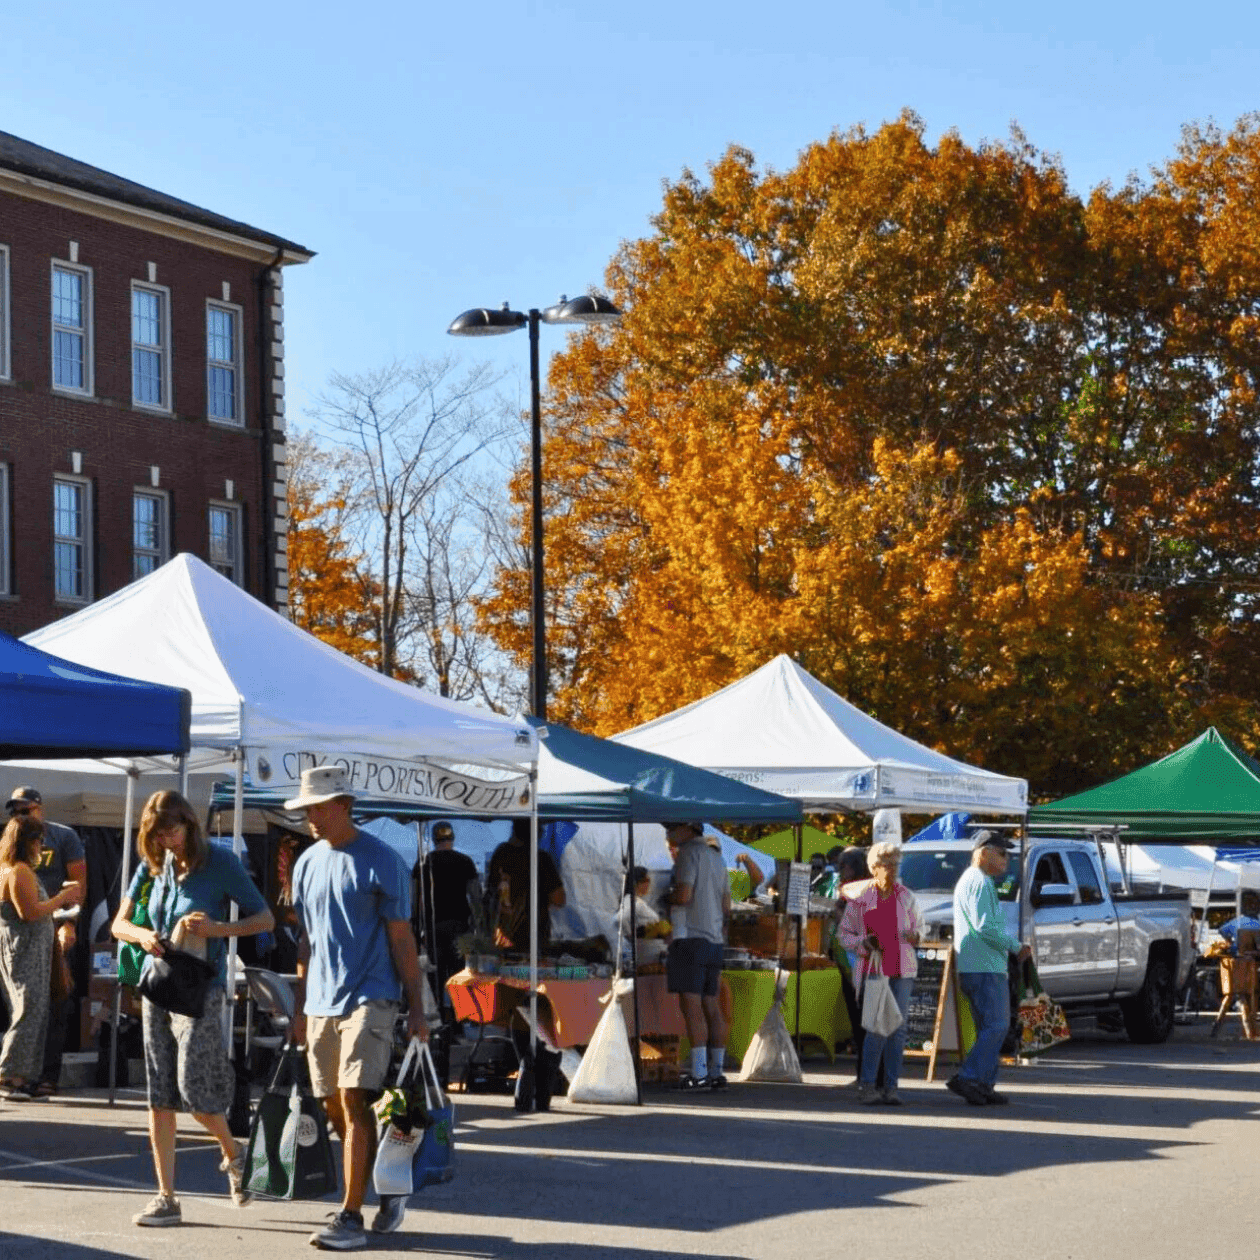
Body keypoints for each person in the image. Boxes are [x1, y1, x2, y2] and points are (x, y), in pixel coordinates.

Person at [111, 790, 273, 1227]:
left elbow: (265, 919)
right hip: (159, 986)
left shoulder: (220, 862)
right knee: (159, 1095)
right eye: (159, 834)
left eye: (174, 830)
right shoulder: (153, 866)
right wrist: (142, 936)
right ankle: (165, 1196)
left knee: (192, 1090)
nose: (168, 840)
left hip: (201, 988)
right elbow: (118, 923)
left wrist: (217, 928)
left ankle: (234, 1153)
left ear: (190, 824)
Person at [286, 766, 429, 1250]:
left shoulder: (382, 861)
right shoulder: (306, 863)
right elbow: (306, 941)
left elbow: (402, 938)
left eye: (318, 807)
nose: (310, 817)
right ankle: (387, 1179)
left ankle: (350, 1215)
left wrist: (418, 1008)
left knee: (354, 1096)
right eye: (306, 809)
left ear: (344, 805)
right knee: (333, 1106)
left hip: (372, 994)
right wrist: (299, 1007)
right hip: (322, 1000)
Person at [5, 786, 86, 1098]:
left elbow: (80, 879)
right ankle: (13, 1075)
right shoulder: (15, 859)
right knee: (28, 1007)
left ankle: (37, 1075)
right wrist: (61, 900)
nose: (21, 815)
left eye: (26, 809)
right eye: (16, 811)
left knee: (51, 1002)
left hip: (45, 935)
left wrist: (70, 922)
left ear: (40, 808)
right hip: (25, 939)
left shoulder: (62, 836)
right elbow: (28, 911)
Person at [837, 840, 924, 1105]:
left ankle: (891, 1087)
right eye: (888, 864)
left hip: (903, 968)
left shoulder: (906, 896)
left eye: (896, 864)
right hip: (875, 968)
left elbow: (921, 928)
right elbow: (843, 935)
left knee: (897, 1029)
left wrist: (916, 934)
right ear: (875, 868)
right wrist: (862, 944)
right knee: (876, 1028)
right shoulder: (861, 900)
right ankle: (867, 1085)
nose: (893, 869)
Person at [948, 830, 1030, 1106]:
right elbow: (985, 927)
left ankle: (983, 1084)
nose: (1007, 858)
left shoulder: (975, 880)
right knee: (997, 1026)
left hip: (978, 965)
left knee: (989, 1028)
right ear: (983, 852)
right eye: (1002, 852)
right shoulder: (979, 881)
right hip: (984, 966)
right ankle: (969, 1077)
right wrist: (1016, 946)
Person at [665, 820, 731, 1090]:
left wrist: (664, 896)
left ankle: (700, 1072)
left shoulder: (688, 854)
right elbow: (727, 905)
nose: (668, 833)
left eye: (671, 828)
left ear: (688, 829)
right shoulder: (718, 858)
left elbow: (683, 895)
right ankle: (716, 1071)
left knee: (692, 1008)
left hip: (689, 938)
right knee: (712, 1007)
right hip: (714, 940)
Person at [417, 821, 480, 1005]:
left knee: (435, 975)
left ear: (434, 839)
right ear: (452, 838)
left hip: (433, 927)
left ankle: (440, 1019)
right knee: (459, 974)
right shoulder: (465, 861)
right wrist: (478, 925)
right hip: (460, 926)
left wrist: (417, 929)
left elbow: (416, 899)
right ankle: (459, 1019)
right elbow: (475, 896)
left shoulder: (423, 863)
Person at [486, 818, 566, 953]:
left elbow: (492, 890)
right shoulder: (542, 859)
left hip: (502, 934)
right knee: (530, 972)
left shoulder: (501, 853)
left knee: (505, 971)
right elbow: (559, 899)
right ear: (536, 833)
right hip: (535, 936)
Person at [617, 865, 669, 967]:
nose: (648, 883)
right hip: (645, 955)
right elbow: (621, 919)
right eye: (646, 880)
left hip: (650, 954)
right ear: (636, 883)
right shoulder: (632, 900)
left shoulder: (637, 901)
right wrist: (632, 935)